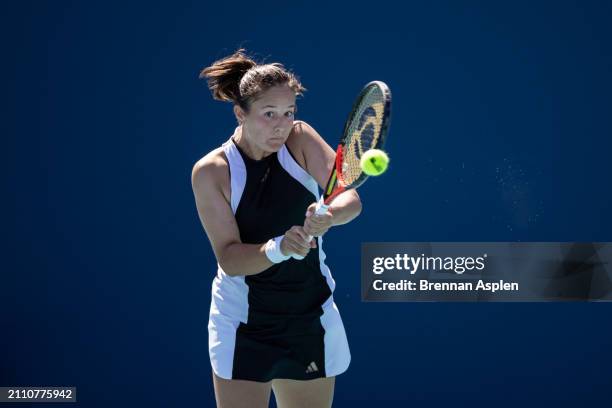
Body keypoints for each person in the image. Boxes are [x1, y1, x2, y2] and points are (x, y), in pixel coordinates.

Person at [192, 49, 362, 408]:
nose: (281, 125)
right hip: (242, 324)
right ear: (240, 113)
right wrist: (280, 247)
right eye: (269, 114)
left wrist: (329, 216)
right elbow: (230, 259)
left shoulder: (299, 139)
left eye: (288, 113)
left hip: (309, 316)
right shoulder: (212, 171)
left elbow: (349, 199)